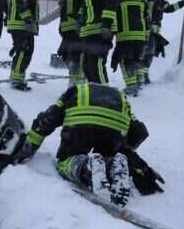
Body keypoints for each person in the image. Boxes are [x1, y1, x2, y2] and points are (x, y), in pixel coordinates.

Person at [19, 82, 164, 206]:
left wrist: (28, 148)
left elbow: (47, 120)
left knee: (66, 161)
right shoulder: (120, 96)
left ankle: (86, 167)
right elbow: (139, 132)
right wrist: (139, 167)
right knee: (108, 155)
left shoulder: (74, 91)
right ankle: (112, 163)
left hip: (82, 123)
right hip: (115, 125)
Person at [75, 0, 119, 85]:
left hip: (100, 30)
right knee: (88, 68)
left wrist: (106, 25)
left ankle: (103, 96)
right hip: (89, 30)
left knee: (97, 65)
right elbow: (87, 5)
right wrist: (81, 22)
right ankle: (94, 96)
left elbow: (110, 2)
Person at [140, 0, 184, 84]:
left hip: (154, 32)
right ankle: (141, 77)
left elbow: (169, 9)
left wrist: (183, 3)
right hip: (145, 31)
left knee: (150, 53)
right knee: (146, 53)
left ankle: (144, 76)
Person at [7, 0, 40, 90]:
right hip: (22, 24)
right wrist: (28, 20)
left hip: (17, 23)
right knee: (24, 52)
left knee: (21, 51)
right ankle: (17, 80)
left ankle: (15, 76)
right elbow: (23, 3)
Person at [111, 0, 148, 97]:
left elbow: (113, 19)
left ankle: (131, 87)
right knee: (137, 60)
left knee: (125, 61)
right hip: (141, 37)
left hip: (125, 37)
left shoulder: (117, 0)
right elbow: (147, 18)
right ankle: (139, 82)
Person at [57, 0, 85, 86]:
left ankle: (76, 86)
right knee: (65, 55)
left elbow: (85, 4)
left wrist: (80, 20)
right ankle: (75, 83)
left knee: (76, 58)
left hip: (77, 29)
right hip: (67, 30)